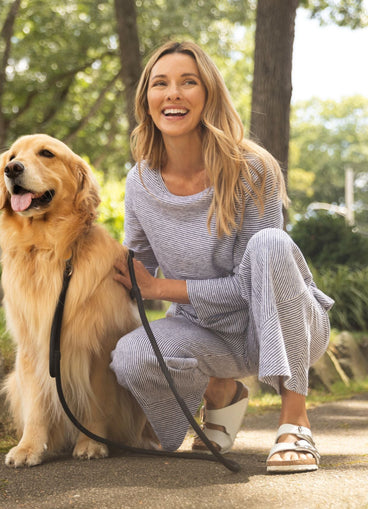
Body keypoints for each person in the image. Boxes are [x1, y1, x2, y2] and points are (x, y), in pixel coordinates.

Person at [110, 41, 334, 474]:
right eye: (161, 84)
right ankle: (221, 393)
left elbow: (256, 286)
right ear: (147, 101)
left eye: (187, 82)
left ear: (208, 94)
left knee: (270, 244)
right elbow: (134, 271)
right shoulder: (139, 181)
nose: (172, 93)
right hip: (207, 335)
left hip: (278, 324)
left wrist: (162, 289)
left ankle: (295, 418)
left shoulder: (253, 167)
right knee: (130, 356)